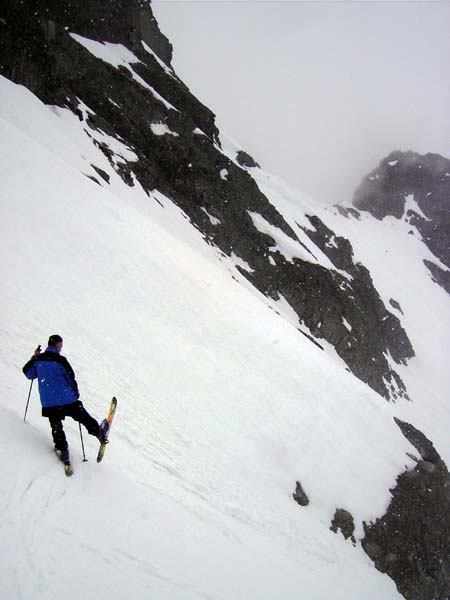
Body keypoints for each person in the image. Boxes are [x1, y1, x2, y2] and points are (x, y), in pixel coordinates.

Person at [22, 334, 109, 465]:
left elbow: (29, 374)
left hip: (49, 402)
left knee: (56, 426)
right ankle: (99, 432)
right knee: (81, 415)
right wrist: (75, 393)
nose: (62, 347)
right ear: (57, 344)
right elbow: (70, 377)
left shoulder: (38, 360)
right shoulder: (60, 360)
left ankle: (63, 451)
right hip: (66, 399)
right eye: (61, 344)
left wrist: (34, 357)